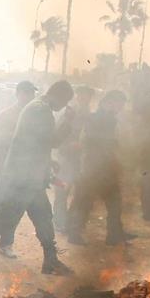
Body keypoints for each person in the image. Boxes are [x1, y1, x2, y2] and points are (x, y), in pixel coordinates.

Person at [0, 80, 76, 276]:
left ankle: (50, 260)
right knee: (10, 218)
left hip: (27, 176)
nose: (63, 107)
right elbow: (52, 141)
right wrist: (68, 123)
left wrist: (48, 164)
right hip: (24, 178)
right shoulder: (42, 111)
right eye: (64, 102)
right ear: (59, 96)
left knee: (43, 217)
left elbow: (37, 144)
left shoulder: (37, 107)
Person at [67, 89, 131, 247]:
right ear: (109, 102)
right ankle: (75, 233)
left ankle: (114, 234)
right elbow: (89, 140)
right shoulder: (96, 118)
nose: (120, 108)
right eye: (119, 104)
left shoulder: (110, 119)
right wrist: (110, 144)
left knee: (113, 202)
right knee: (85, 202)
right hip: (93, 167)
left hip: (106, 167)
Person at [0, 80, 37, 258]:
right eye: (26, 93)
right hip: (3, 165)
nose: (29, 96)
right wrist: (19, 135)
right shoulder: (6, 114)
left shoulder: (34, 116)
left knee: (16, 207)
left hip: (23, 169)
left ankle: (6, 244)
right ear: (18, 94)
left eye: (31, 93)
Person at [53, 84, 94, 233]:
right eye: (81, 94)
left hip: (80, 158)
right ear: (77, 96)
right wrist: (68, 144)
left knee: (77, 192)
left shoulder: (89, 113)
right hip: (66, 155)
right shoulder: (69, 112)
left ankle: (68, 222)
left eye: (87, 95)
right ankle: (59, 222)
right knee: (62, 189)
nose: (84, 98)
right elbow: (57, 131)